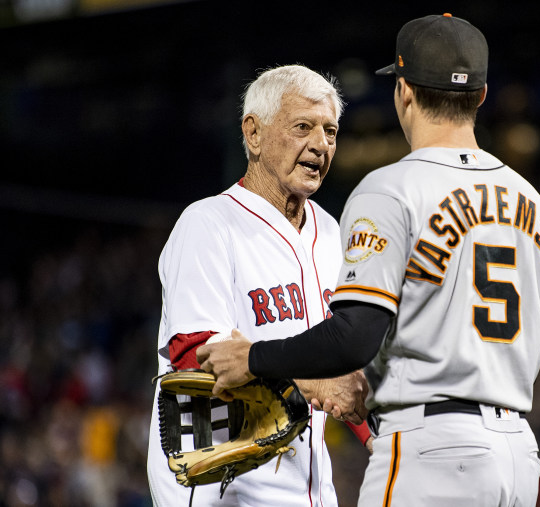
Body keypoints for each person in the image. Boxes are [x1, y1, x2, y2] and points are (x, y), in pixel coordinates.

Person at [198, 14, 540, 506]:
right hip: (518, 456)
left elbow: (353, 338)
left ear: (405, 92)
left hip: (431, 450)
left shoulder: (391, 190)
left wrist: (253, 357)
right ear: (479, 97)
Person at [146, 64, 373, 507]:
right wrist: (310, 383)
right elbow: (193, 356)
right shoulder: (209, 224)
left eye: (330, 131)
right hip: (221, 488)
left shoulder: (331, 234)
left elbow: (344, 379)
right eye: (302, 127)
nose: (320, 145)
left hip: (309, 489)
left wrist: (375, 437)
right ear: (253, 134)